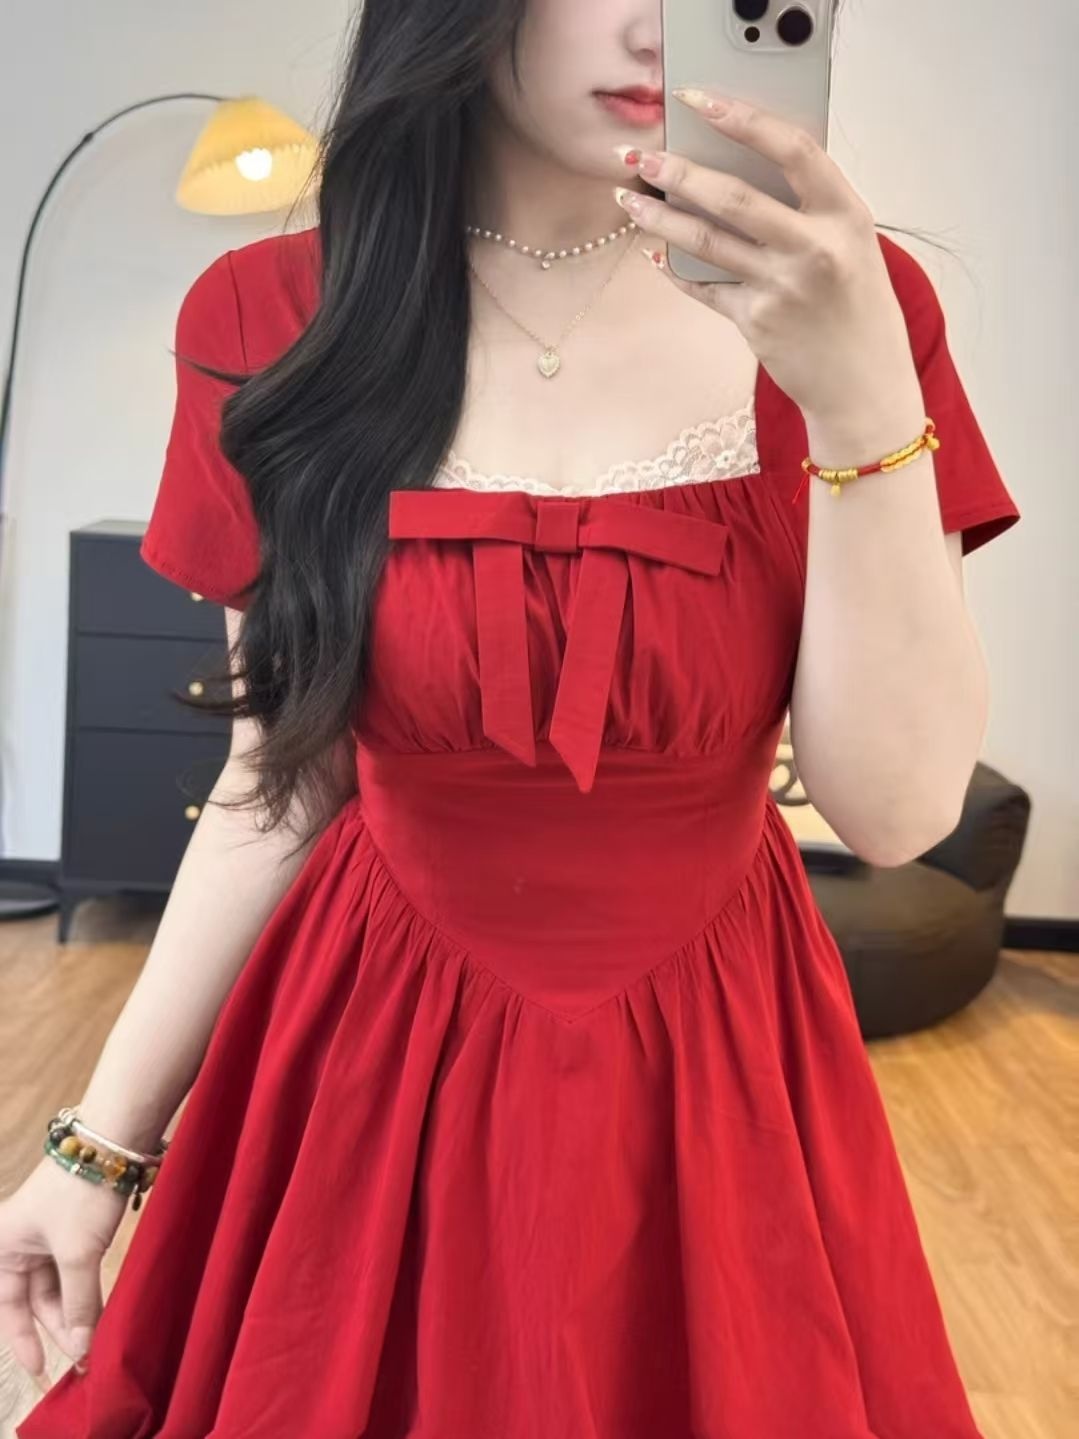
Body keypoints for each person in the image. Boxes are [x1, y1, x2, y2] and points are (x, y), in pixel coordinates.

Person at [6, 1, 1021, 1435]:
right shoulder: (268, 315)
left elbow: (900, 811)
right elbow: (279, 785)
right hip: (369, 1060)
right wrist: (94, 1152)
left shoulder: (855, 302)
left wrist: (859, 405)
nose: (660, 28)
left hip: (718, 1066)